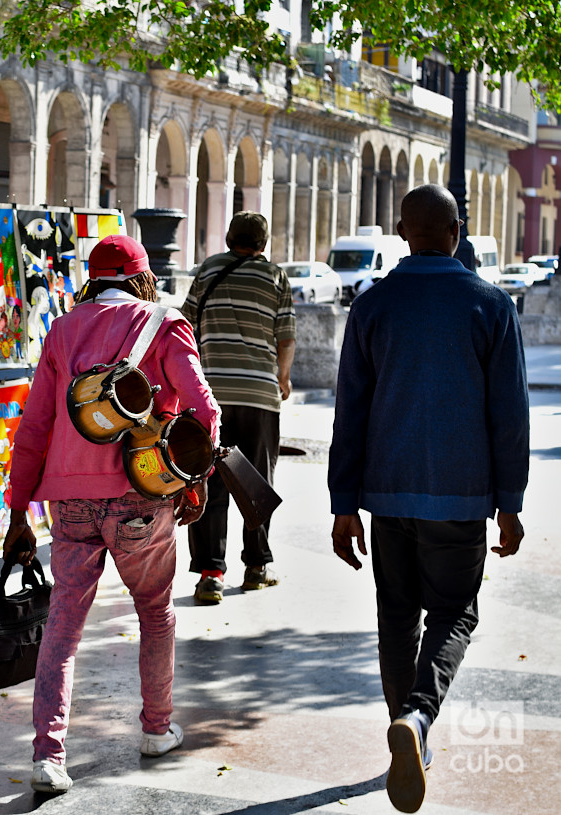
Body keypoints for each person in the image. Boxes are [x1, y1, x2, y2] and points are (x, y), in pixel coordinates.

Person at [328, 184, 529, 814]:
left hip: (387, 494)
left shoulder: (373, 306)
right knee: (455, 613)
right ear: (456, 230)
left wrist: (342, 504)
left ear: (401, 230)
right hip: (461, 495)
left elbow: (350, 411)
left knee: (398, 615)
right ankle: (415, 722)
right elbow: (510, 415)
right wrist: (510, 501)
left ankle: (404, 729)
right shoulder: (491, 305)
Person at [4, 234, 220, 794]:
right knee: (155, 611)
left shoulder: (62, 328)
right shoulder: (165, 325)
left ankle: (48, 756)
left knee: (65, 625)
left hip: (69, 503)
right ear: (142, 278)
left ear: (92, 279)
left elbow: (33, 431)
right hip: (140, 499)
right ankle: (156, 729)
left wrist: (16, 512)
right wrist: (193, 479)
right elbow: (205, 411)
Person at [181, 212, 295, 604]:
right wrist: (282, 378)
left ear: (229, 237)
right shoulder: (276, 277)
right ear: (264, 243)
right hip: (260, 396)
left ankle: (211, 574)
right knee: (255, 481)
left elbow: (184, 327)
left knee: (207, 480)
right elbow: (286, 338)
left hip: (210, 396)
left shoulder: (209, 269)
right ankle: (256, 567)